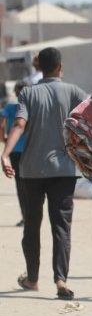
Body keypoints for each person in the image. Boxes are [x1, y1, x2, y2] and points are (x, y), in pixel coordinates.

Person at [2, 47, 87, 300]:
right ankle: (61, 279)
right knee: (61, 226)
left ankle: (32, 278)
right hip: (63, 169)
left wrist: (5, 154)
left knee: (32, 224)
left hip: (31, 170)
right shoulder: (72, 91)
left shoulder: (28, 93)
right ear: (60, 67)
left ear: (40, 68)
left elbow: (19, 124)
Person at [1, 80, 29, 227]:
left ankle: (25, 217)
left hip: (15, 151)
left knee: (19, 184)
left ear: (16, 93)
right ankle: (32, 216)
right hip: (30, 150)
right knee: (31, 183)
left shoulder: (10, 108)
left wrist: (4, 139)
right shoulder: (32, 108)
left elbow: (2, 124)